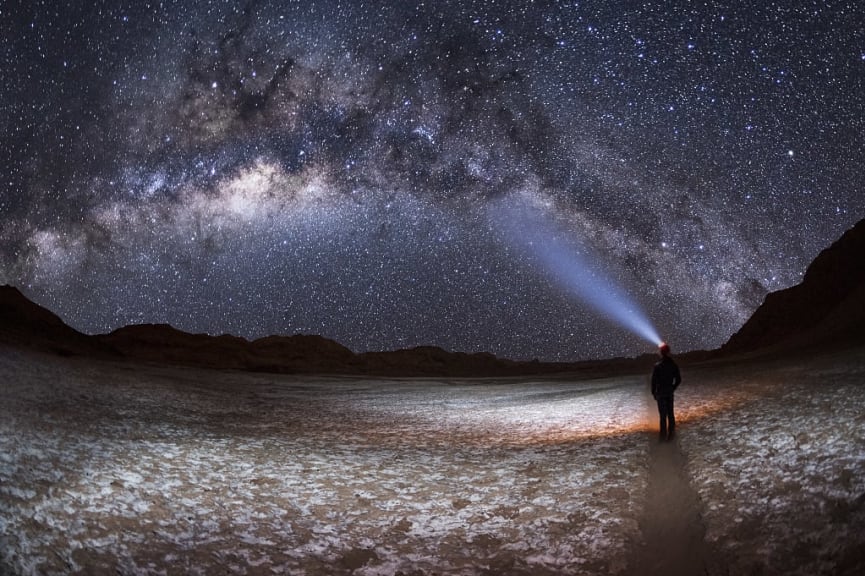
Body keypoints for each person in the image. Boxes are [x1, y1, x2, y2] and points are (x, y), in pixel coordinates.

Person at [651, 342, 681, 441]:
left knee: (663, 416)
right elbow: (678, 379)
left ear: (661, 352)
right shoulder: (673, 365)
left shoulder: (657, 366)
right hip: (669, 392)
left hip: (661, 393)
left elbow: (654, 381)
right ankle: (671, 435)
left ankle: (663, 436)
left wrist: (654, 392)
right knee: (670, 414)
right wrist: (673, 387)